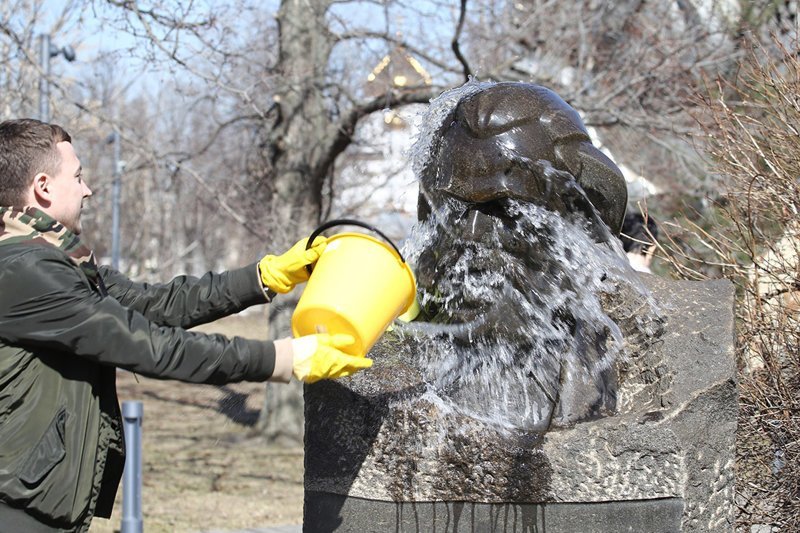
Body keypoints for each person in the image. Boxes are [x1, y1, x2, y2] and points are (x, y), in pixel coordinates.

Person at [0, 118, 371, 532]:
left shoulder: (57, 264)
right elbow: (144, 344)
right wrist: (281, 358)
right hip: (16, 512)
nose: (87, 190)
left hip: (39, 506)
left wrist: (264, 277)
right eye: (79, 176)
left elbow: (155, 305)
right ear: (44, 187)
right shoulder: (25, 271)